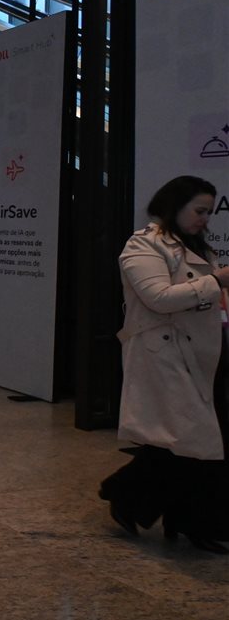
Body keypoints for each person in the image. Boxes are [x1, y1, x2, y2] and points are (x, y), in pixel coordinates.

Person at [99, 175, 229, 553]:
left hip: (200, 354)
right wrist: (216, 281)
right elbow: (158, 297)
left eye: (209, 212)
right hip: (164, 355)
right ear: (175, 206)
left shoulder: (196, 247)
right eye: (199, 210)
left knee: (188, 442)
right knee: (194, 441)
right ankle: (134, 497)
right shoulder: (143, 244)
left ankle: (168, 512)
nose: (205, 219)